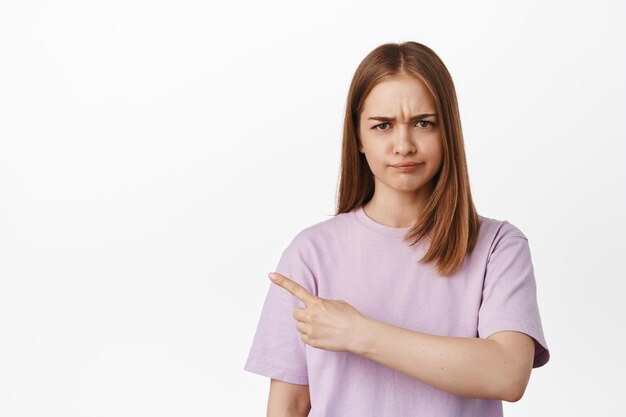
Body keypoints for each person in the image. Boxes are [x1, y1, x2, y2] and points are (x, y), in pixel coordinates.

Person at [243, 41, 550, 417]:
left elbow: (507, 374)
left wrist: (359, 334)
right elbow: (289, 406)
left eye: (423, 123)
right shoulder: (310, 254)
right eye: (382, 126)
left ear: (447, 131)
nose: (403, 145)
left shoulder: (497, 246)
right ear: (358, 137)